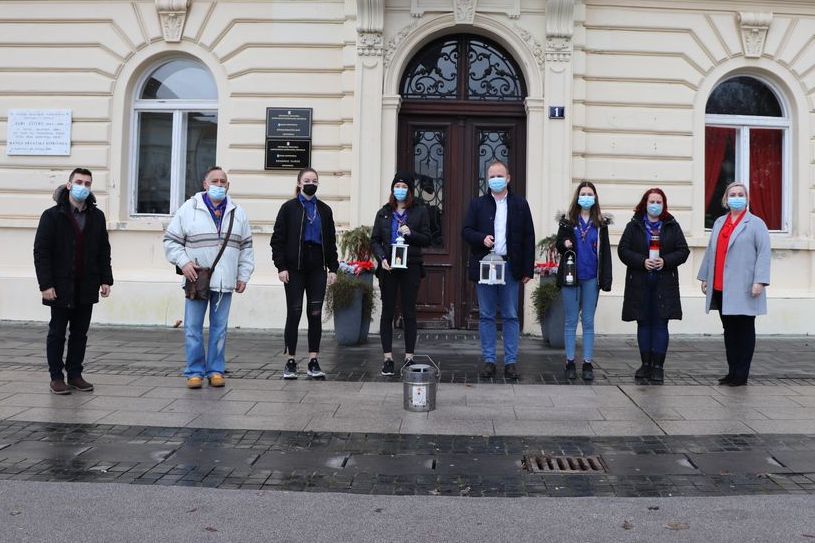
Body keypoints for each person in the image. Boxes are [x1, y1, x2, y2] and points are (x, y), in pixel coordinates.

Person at [164, 166, 255, 389]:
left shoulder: (237, 212)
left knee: (219, 329)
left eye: (223, 181)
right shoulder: (189, 208)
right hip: (197, 280)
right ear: (205, 184)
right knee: (193, 328)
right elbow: (171, 241)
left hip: (224, 282)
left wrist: (243, 275)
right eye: (214, 181)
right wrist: (184, 263)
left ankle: (216, 370)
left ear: (228, 185)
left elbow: (246, 248)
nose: (219, 185)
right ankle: (194, 371)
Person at [33, 168, 113, 395]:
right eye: (79, 182)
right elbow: (41, 252)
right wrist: (46, 285)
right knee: (57, 332)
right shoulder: (52, 215)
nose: (83, 187)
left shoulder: (96, 216)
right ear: (69, 185)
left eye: (88, 183)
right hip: (59, 286)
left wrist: (106, 279)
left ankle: (75, 374)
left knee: (80, 333)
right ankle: (56, 377)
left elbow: (103, 250)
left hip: (86, 284)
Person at [462, 160, 535, 380]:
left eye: (499, 176)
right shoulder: (478, 204)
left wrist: (527, 270)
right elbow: (465, 231)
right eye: (492, 176)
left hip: (510, 267)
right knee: (486, 315)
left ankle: (511, 362)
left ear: (508, 178)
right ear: (487, 179)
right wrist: (481, 238)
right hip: (485, 265)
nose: (496, 180)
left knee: (511, 315)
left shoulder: (520, 204)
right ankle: (489, 361)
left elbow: (529, 237)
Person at [697, 182, 771, 387]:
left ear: (747, 199)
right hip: (721, 286)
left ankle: (741, 373)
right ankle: (732, 371)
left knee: (744, 330)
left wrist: (760, 281)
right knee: (729, 330)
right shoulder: (720, 222)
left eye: (740, 194)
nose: (736, 197)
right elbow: (711, 250)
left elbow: (764, 253)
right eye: (733, 194)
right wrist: (705, 277)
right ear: (726, 199)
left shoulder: (756, 223)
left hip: (745, 287)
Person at [271, 167, 339, 380]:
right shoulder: (288, 208)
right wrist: (281, 266)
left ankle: (313, 360)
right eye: (307, 180)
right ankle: (290, 360)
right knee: (294, 311)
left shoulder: (324, 210)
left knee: (315, 313)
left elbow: (330, 241)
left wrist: (333, 267)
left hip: (317, 267)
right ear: (300, 183)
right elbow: (277, 240)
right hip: (294, 268)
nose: (311, 183)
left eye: (314, 180)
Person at [618, 188, 689, 383]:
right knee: (643, 322)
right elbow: (623, 251)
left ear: (664, 205)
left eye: (659, 202)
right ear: (645, 203)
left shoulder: (672, 226)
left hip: (664, 284)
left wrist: (665, 261)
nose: (655, 205)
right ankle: (645, 364)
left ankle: (658, 366)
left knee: (660, 323)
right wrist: (642, 261)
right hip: (640, 283)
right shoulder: (634, 225)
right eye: (652, 201)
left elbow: (683, 251)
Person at [370, 171, 432, 376]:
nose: (400, 190)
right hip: (389, 267)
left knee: (409, 312)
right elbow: (375, 240)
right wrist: (382, 258)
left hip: (411, 266)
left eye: (404, 187)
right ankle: (387, 358)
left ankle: (409, 357)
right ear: (392, 189)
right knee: (387, 311)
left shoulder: (419, 211)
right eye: (397, 186)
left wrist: (410, 233)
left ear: (410, 190)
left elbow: (427, 238)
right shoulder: (384, 212)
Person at [555, 181, 612, 381]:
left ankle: (587, 363)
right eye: (583, 193)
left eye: (590, 194)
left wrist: (605, 279)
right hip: (571, 277)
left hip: (591, 278)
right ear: (577, 197)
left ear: (595, 198)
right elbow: (559, 244)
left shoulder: (601, 224)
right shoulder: (568, 221)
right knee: (570, 321)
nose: (586, 197)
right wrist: (564, 243)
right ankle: (570, 362)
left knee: (588, 321)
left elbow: (605, 253)